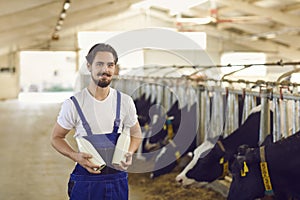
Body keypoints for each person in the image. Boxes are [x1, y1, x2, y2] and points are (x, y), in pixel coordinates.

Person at [51, 43, 142, 200]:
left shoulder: (125, 101)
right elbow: (56, 137)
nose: (105, 70)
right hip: (86, 182)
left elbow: (136, 133)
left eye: (110, 65)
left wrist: (129, 152)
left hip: (117, 181)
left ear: (115, 68)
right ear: (89, 66)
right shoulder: (74, 104)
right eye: (99, 64)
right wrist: (75, 155)